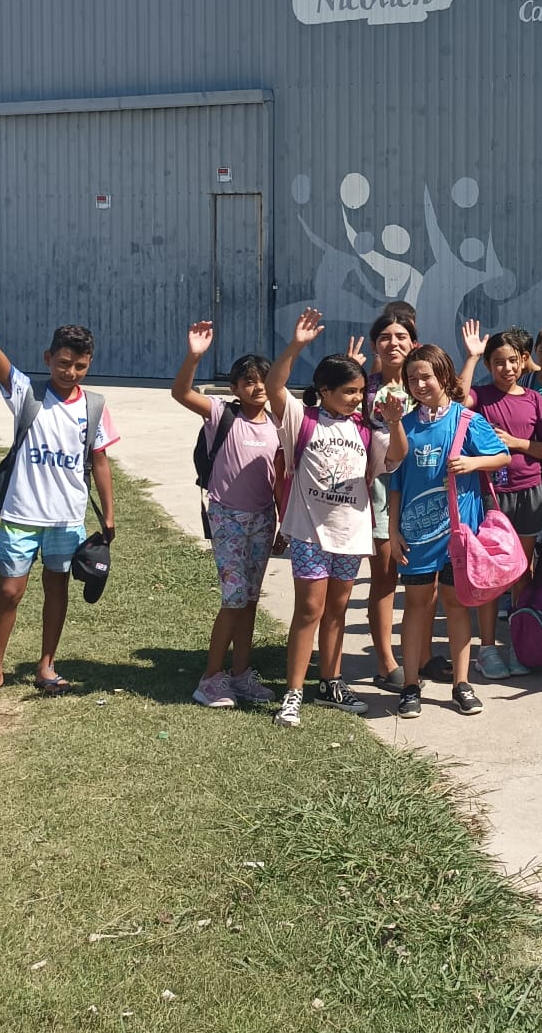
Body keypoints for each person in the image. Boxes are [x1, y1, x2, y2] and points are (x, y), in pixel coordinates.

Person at [0, 258, 118, 710]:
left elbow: (99, 460)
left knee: (57, 586)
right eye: (64, 363)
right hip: (21, 515)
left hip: (67, 518)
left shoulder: (95, 406)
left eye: (81, 365)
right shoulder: (27, 394)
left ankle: (46, 664)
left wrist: (109, 512)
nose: (72, 372)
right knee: (10, 590)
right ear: (48, 359)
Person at [267, 308, 406, 731]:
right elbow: (275, 386)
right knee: (309, 608)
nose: (356, 398)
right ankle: (293, 692)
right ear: (323, 391)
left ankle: (331, 681)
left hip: (351, 535)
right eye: (348, 391)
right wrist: (297, 346)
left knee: (338, 609)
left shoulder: (367, 429)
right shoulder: (301, 421)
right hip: (309, 534)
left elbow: (396, 457)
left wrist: (395, 421)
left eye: (360, 391)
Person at [386, 342, 511, 719]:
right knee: (416, 608)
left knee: (457, 607)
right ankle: (410, 686)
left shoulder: (467, 421)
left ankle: (462, 684)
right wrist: (393, 532)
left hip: (459, 536)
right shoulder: (405, 425)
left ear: (444, 376)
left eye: (425, 376)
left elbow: (502, 455)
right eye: (412, 379)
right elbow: (395, 482)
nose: (419, 384)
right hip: (415, 536)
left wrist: (473, 463)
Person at [171, 321, 281, 709]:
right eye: (248, 381)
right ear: (235, 387)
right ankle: (210, 679)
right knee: (234, 598)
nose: (257, 387)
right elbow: (181, 392)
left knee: (250, 599)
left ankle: (240, 674)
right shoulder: (221, 414)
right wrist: (195, 356)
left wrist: (281, 521)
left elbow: (281, 477)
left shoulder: (277, 425)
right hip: (227, 517)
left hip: (264, 519)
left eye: (263, 380)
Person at [458, 321, 542, 679]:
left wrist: (516, 444)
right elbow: (456, 397)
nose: (507, 368)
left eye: (513, 361)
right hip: (489, 495)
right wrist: (470, 357)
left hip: (528, 493)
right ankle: (486, 649)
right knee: (490, 573)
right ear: (489, 366)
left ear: (524, 361)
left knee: (521, 573)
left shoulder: (534, 400)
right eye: (498, 362)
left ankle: (517, 644)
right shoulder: (480, 397)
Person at [358, 302, 418, 691]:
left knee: (421, 581)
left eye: (401, 337)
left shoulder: (425, 383)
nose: (393, 343)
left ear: (415, 343)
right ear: (375, 345)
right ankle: (385, 660)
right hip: (378, 493)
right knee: (384, 578)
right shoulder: (365, 387)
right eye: (385, 337)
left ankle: (421, 654)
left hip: (419, 492)